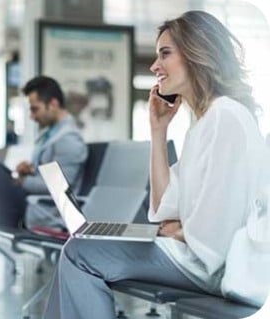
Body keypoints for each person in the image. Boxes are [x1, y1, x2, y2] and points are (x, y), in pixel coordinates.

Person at [45, 11, 270, 319]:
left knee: (79, 253)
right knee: (79, 247)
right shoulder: (203, 123)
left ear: (196, 53)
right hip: (195, 255)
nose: (155, 67)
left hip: (209, 266)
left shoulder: (225, 116)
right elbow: (164, 207)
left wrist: (184, 231)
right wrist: (158, 131)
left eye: (165, 54)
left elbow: (221, 224)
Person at [0, 76, 88, 229]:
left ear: (53, 104)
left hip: (37, 208)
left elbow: (61, 189)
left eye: (35, 109)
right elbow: (48, 173)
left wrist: (22, 181)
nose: (32, 116)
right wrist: (29, 171)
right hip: (26, 197)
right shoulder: (51, 133)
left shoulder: (69, 139)